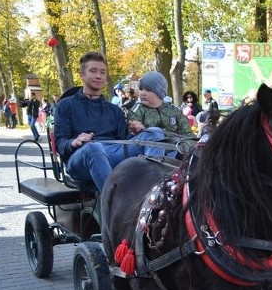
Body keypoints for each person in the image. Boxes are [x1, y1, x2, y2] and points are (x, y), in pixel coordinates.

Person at [54, 51, 130, 192]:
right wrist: (74, 142)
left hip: (112, 154)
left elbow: (125, 142)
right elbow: (60, 144)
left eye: (102, 72)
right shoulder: (65, 105)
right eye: (93, 71)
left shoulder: (115, 110)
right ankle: (115, 205)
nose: (98, 76)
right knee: (93, 148)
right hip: (80, 158)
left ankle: (157, 198)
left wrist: (139, 132)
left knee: (154, 134)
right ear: (82, 75)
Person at [126, 71, 192, 157]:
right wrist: (136, 128)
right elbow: (132, 127)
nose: (142, 93)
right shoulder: (137, 110)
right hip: (147, 154)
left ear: (159, 92)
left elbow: (189, 134)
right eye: (141, 89)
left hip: (176, 152)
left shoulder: (174, 111)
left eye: (148, 90)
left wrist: (184, 147)